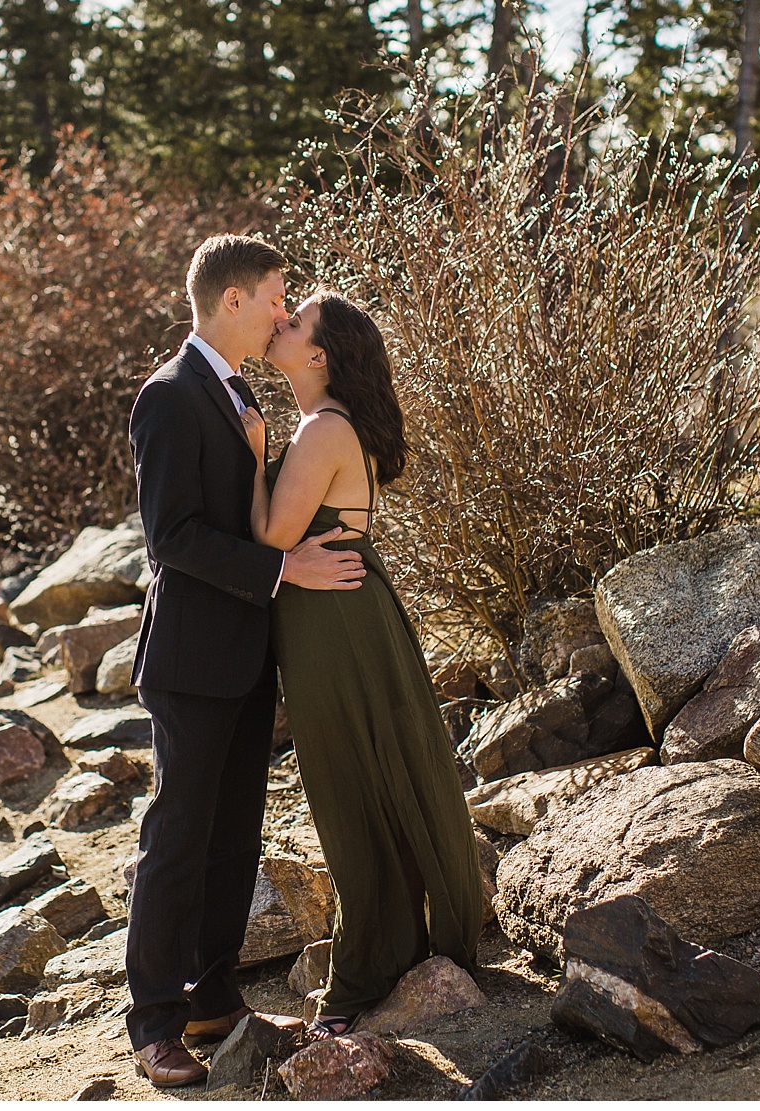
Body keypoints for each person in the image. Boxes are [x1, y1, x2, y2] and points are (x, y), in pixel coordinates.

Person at [125, 236, 368, 1089]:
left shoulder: (239, 396)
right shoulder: (167, 396)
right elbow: (173, 539)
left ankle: (214, 996)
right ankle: (154, 1022)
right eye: (276, 294)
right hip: (190, 657)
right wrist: (284, 568)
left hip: (244, 656)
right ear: (232, 300)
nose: (282, 308)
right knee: (177, 839)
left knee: (235, 839)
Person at [241, 289, 486, 1041]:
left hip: (337, 623)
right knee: (371, 770)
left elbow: (275, 531)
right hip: (343, 612)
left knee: (350, 776)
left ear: (318, 354)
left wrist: (253, 455)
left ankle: (374, 957)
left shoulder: (321, 428)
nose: (278, 324)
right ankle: (402, 938)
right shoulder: (328, 423)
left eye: (294, 321)